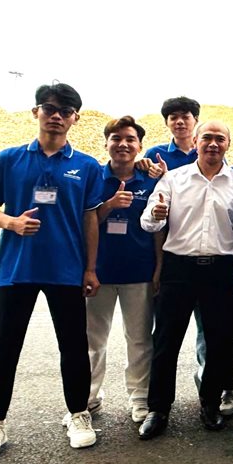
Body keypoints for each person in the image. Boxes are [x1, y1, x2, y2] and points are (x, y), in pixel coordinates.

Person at [0, 83, 104, 458]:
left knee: (74, 346)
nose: (56, 116)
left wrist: (90, 268)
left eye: (65, 111)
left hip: (66, 271)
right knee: (5, 347)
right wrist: (12, 223)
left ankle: (78, 414)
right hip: (18, 269)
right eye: (49, 108)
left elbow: (90, 220)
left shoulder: (86, 166)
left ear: (75, 119)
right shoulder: (8, 159)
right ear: (36, 112)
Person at [137, 120, 233, 439]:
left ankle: (210, 403)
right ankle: (158, 409)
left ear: (228, 144)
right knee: (166, 340)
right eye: (207, 138)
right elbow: (148, 221)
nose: (213, 144)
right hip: (179, 268)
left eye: (220, 138)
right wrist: (156, 216)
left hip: (221, 269)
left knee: (219, 341)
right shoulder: (173, 179)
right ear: (196, 142)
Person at [86, 116, 159, 425]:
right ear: (107, 143)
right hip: (98, 273)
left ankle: (140, 397)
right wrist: (109, 205)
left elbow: (159, 229)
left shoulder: (151, 181)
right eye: (116, 138)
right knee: (92, 340)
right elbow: (85, 221)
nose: (123, 144)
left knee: (139, 340)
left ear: (139, 146)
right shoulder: (93, 177)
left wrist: (159, 268)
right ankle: (87, 397)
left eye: (130, 139)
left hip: (139, 272)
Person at [142, 96, 200, 171]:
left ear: (196, 120)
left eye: (185, 117)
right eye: (173, 118)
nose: (179, 122)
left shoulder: (207, 151)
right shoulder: (154, 154)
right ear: (166, 122)